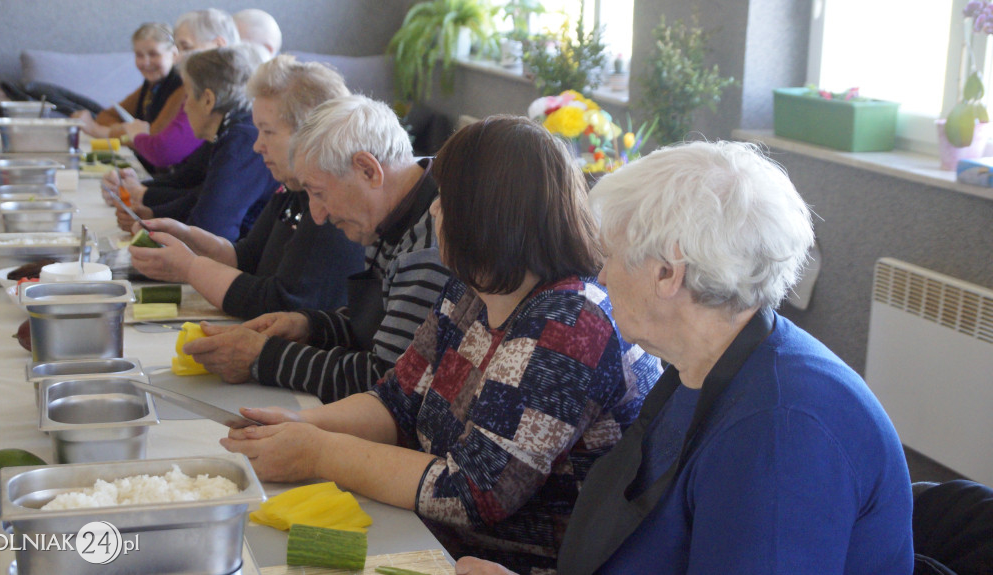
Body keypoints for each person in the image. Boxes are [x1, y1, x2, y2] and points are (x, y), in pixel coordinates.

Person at [219, 116, 662, 573]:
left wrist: (317, 450)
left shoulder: (569, 323)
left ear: (483, 213)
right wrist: (300, 424)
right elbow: (395, 402)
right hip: (436, 540)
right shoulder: (474, 288)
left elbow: (472, 491)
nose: (433, 211)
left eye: (445, 199)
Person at [457, 140, 915, 575]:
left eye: (611, 255)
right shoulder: (700, 368)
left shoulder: (784, 429)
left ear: (666, 273)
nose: (601, 272)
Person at [179, 95, 449, 402]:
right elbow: (379, 328)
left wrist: (263, 358)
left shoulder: (428, 247)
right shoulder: (395, 210)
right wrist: (310, 326)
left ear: (368, 170)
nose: (317, 215)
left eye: (318, 193)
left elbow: (385, 381)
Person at [127, 55, 364, 319]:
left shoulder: (331, 204)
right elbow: (248, 257)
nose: (257, 145)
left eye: (268, 132)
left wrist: (189, 267)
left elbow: (281, 303)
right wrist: (187, 236)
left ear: (310, 133)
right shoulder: (293, 190)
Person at [109, 45, 276, 242]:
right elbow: (195, 188)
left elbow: (210, 228)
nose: (185, 107)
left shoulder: (241, 141)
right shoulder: (229, 128)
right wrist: (152, 211)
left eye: (187, 95)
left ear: (208, 100)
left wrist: (156, 219)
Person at [121, 8, 240, 170]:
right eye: (177, 48)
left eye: (185, 47)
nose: (177, 58)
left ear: (218, 45)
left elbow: (165, 151)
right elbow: (190, 177)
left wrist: (138, 136)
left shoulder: (216, 95)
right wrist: (145, 193)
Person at [70, 23, 184, 150]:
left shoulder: (181, 87)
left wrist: (99, 131)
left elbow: (152, 138)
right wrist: (125, 131)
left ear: (174, 54)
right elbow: (105, 116)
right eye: (139, 55)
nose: (145, 63)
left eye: (153, 54)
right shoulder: (152, 85)